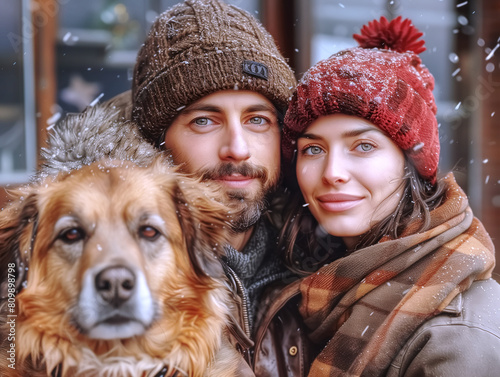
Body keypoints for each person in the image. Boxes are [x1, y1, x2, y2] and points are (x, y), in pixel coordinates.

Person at [40, 1, 313, 376]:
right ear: (157, 143)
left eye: (258, 120)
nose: (237, 147)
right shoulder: (78, 279)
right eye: (204, 120)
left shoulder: (319, 252)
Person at [280, 16, 500, 377]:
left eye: (363, 145)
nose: (332, 171)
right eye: (313, 149)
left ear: (411, 164)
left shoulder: (458, 337)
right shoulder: (318, 287)